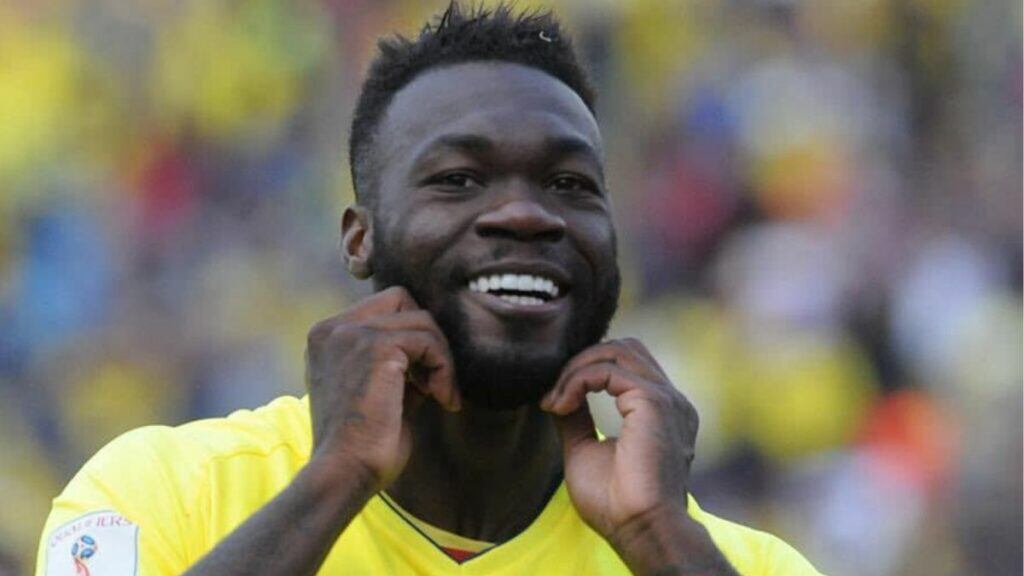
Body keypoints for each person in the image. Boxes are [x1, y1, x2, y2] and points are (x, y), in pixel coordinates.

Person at [36, 4, 821, 575]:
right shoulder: (167, 492)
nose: (524, 212)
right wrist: (334, 482)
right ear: (359, 237)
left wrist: (661, 539)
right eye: (458, 179)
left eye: (569, 182)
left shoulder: (730, 562)